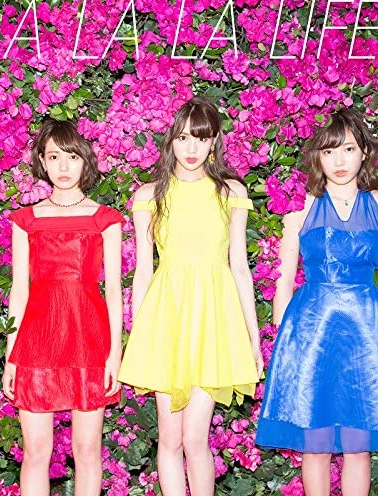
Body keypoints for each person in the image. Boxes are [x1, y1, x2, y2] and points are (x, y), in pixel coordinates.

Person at [118, 96, 263, 495]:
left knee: (195, 437)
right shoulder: (149, 196)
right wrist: (140, 334)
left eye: (200, 138)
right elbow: (143, 269)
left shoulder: (230, 192)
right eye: (183, 138)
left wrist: (252, 339)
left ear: (214, 141)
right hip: (166, 321)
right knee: (169, 438)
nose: (191, 147)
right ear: (171, 141)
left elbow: (240, 267)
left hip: (214, 321)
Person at [256, 108, 377, 495]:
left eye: (348, 149)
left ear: (364, 152)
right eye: (329, 151)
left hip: (367, 332)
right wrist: (282, 342)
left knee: (359, 446)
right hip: (312, 332)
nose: (339, 160)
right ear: (317, 158)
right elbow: (283, 281)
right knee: (316, 444)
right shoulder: (300, 214)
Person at [2, 118, 123, 496]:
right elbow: (18, 291)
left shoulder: (105, 219)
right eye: (54, 157)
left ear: (85, 160)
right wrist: (10, 355)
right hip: (35, 342)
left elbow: (114, 291)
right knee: (36, 452)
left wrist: (115, 354)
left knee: (86, 451)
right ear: (42, 161)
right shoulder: (26, 220)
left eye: (71, 156)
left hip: (89, 340)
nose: (63, 166)